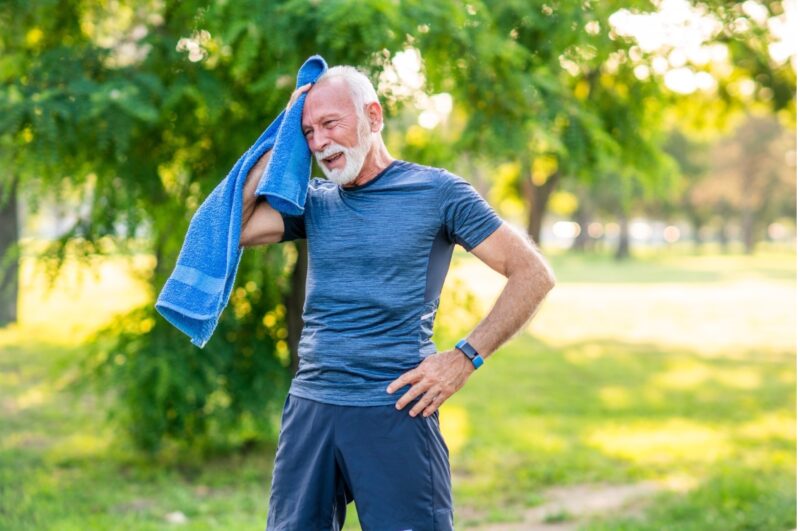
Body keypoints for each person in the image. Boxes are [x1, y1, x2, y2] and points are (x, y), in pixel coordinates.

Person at [239, 64, 556, 531]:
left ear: (373, 115)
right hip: (311, 409)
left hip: (396, 409)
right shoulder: (313, 200)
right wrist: (283, 133)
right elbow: (239, 225)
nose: (320, 142)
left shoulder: (437, 192)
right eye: (309, 132)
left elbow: (533, 274)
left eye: (330, 124)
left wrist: (465, 358)